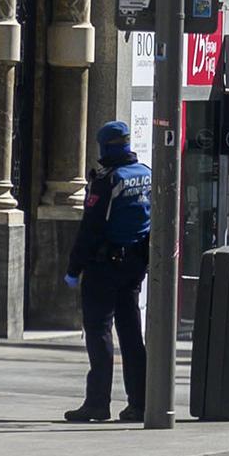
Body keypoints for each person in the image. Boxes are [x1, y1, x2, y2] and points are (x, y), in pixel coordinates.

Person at [63, 121, 151, 423]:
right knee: (130, 335)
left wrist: (74, 268)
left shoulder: (107, 180)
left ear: (105, 146)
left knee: (99, 332)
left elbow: (91, 229)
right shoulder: (146, 175)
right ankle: (139, 402)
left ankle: (97, 403)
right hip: (134, 267)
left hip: (103, 267)